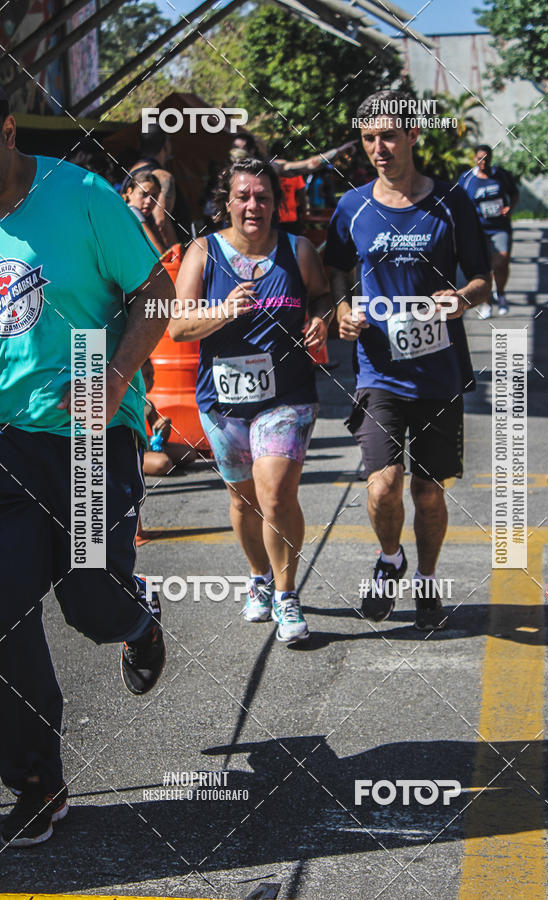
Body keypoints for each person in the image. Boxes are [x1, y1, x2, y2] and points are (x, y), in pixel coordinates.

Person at [0, 89, 174, 847]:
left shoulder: (79, 195)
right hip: (9, 441)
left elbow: (157, 295)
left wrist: (111, 378)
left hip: (92, 432)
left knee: (89, 601)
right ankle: (37, 780)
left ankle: (136, 621)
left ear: (6, 129)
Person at [325, 89, 491, 631]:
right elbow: (335, 273)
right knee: (382, 486)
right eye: (370, 138)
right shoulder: (352, 207)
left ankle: (425, 579)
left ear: (413, 135)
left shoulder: (451, 202)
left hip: (438, 369)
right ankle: (390, 557)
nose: (379, 147)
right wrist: (343, 310)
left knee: (429, 492)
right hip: (379, 371)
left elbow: (483, 279)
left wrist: (461, 299)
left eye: (389, 136)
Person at [171, 158, 333, 643]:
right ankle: (259, 579)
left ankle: (287, 596)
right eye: (243, 196)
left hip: (288, 396)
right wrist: (222, 311)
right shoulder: (204, 251)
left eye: (263, 197)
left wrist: (321, 319)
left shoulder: (298, 250)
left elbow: (322, 296)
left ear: (276, 202)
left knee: (276, 492)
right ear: (228, 202)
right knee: (242, 501)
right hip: (222, 400)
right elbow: (178, 326)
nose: (253, 206)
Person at [458, 143, 519, 318]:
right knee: (484, 267)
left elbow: (514, 194)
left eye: (486, 159)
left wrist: (510, 208)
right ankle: (486, 303)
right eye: (479, 159)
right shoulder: (467, 179)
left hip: (500, 226)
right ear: (474, 159)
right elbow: (459, 203)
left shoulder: (501, 176)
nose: (482, 162)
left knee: (501, 263)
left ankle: (500, 293)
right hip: (478, 230)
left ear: (490, 159)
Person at [141, 358, 199, 475]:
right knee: (163, 464)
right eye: (147, 376)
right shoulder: (124, 404)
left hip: (148, 447)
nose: (152, 381)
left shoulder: (148, 404)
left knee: (190, 453)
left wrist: (165, 428)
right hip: (133, 450)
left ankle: (148, 461)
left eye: (153, 376)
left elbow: (160, 441)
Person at [230, 132, 357, 176]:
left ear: (252, 151)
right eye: (234, 148)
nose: (237, 154)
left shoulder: (269, 168)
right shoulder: (226, 174)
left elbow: (308, 165)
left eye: (242, 149)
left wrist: (338, 151)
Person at [123, 172, 168, 255]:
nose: (149, 201)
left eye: (154, 196)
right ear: (129, 192)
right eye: (144, 194)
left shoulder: (147, 217)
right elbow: (160, 253)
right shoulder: (133, 211)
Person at [270, 141, 307, 235]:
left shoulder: (267, 172)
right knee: (292, 246)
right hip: (291, 218)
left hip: (272, 218)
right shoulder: (293, 173)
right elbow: (302, 196)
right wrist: (304, 214)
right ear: (284, 154)